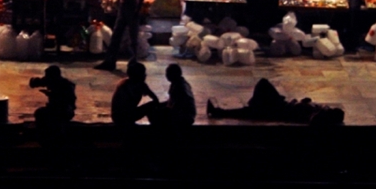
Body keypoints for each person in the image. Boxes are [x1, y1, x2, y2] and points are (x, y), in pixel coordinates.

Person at [207, 78, 344, 126]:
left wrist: (316, 110)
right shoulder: (318, 110)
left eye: (330, 110)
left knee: (261, 88)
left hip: (279, 110)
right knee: (251, 111)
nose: (327, 107)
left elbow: (310, 118)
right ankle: (219, 112)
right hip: (281, 106)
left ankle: (219, 112)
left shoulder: (317, 116)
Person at [121, 63, 197, 127]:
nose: (166, 75)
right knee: (153, 109)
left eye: (168, 73)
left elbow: (175, 106)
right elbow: (168, 102)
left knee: (153, 112)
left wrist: (159, 108)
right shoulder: (181, 83)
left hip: (184, 117)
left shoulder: (178, 87)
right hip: (187, 116)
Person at [110, 61, 159, 126]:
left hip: (118, 117)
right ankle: (155, 125)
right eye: (143, 73)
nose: (145, 75)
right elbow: (155, 99)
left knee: (152, 105)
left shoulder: (126, 82)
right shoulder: (137, 85)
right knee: (151, 105)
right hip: (123, 117)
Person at [30, 65, 76, 130]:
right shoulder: (52, 80)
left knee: (40, 114)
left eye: (47, 75)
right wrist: (35, 82)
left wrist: (50, 94)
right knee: (40, 113)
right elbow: (40, 82)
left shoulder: (64, 84)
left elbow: (64, 99)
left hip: (64, 110)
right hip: (56, 108)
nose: (46, 77)